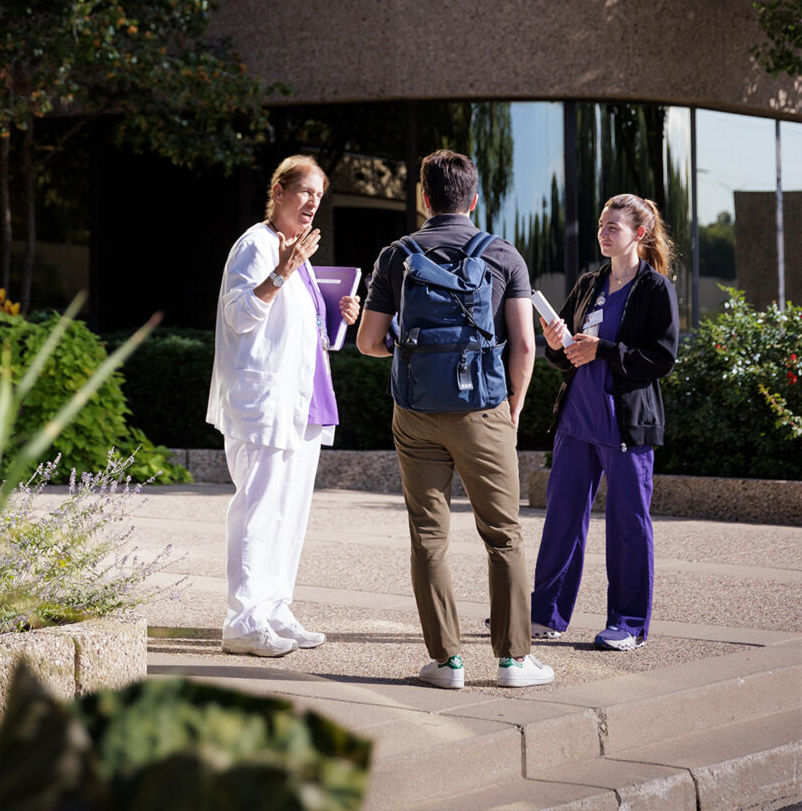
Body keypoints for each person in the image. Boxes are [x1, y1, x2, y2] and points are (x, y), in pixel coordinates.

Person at [357, 149, 553, 689]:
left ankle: (446, 663)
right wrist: (510, 410)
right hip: (483, 411)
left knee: (427, 537)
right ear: (473, 199)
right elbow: (524, 346)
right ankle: (514, 661)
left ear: (424, 198)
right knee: (504, 536)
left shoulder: (396, 255)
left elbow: (369, 342)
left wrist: (411, 347)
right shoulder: (503, 255)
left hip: (416, 414)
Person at [206, 155, 361, 658]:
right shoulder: (256, 245)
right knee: (258, 512)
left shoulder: (299, 255)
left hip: (304, 405)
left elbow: (304, 337)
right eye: (305, 192)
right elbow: (238, 317)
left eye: (320, 194)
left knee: (289, 514)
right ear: (278, 191)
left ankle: (274, 609)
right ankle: (243, 622)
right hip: (264, 405)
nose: (314, 202)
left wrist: (339, 318)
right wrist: (281, 271)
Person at [531, 193, 680, 651]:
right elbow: (566, 358)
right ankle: (545, 615)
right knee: (561, 519)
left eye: (612, 226)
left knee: (628, 523)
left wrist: (604, 350)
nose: (602, 232)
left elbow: (662, 357)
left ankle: (628, 624)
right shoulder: (588, 284)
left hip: (625, 426)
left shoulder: (655, 289)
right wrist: (555, 341)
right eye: (600, 224)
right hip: (577, 419)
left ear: (638, 234)